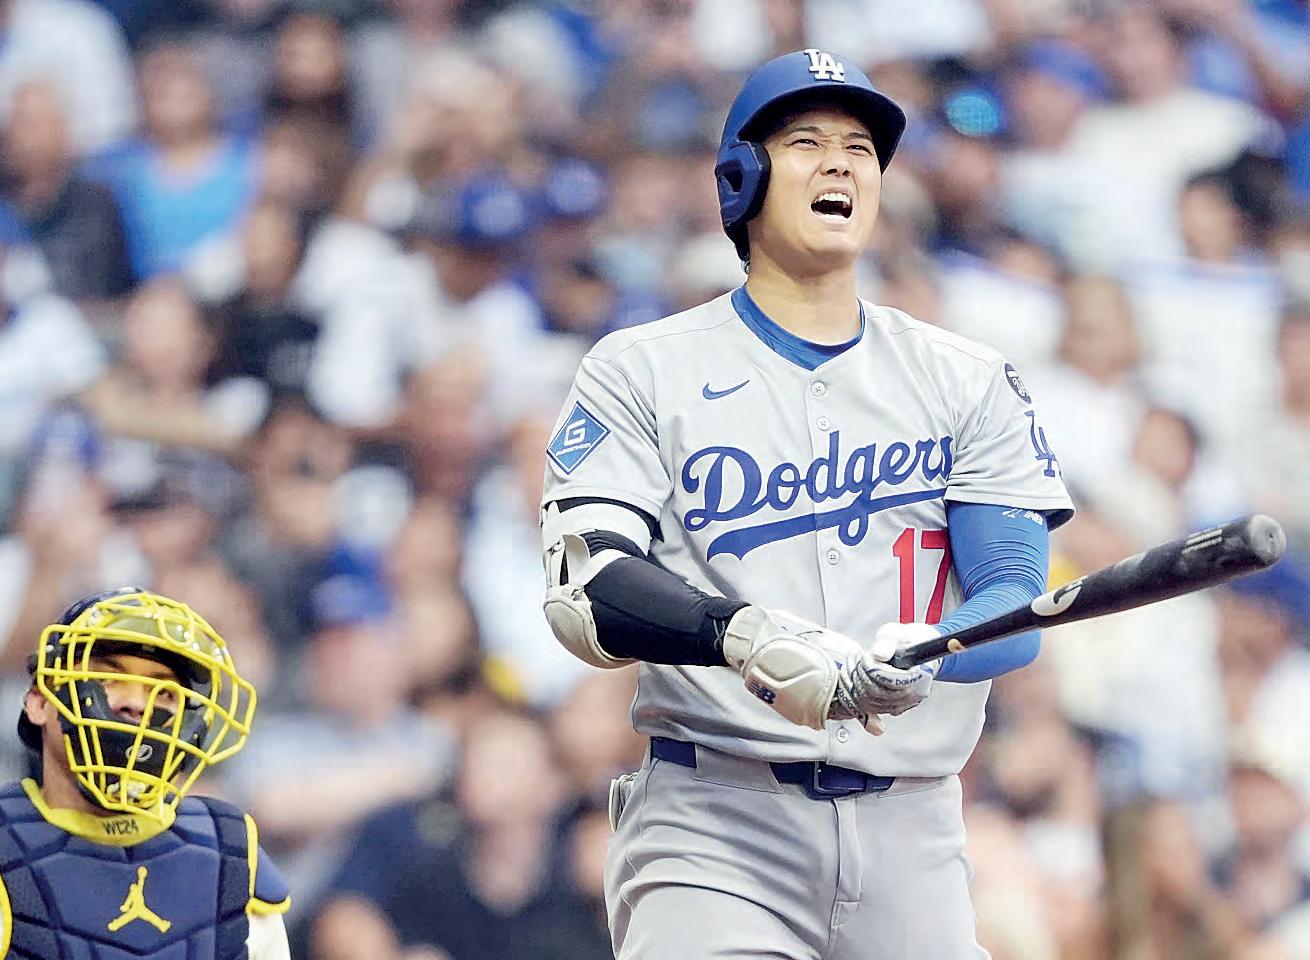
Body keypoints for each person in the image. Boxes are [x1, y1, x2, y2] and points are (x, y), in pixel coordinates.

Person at [539, 49, 1074, 959]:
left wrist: (926, 653)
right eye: (807, 143)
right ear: (741, 178)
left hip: (915, 833)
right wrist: (747, 638)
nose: (841, 165)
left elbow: (1015, 603)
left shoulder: (967, 377)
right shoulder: (641, 367)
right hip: (715, 820)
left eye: (861, 149)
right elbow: (587, 590)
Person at [5, 586, 291, 958]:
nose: (137, 704)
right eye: (107, 679)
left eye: (164, 692)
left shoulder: (233, 856)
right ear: (40, 702)